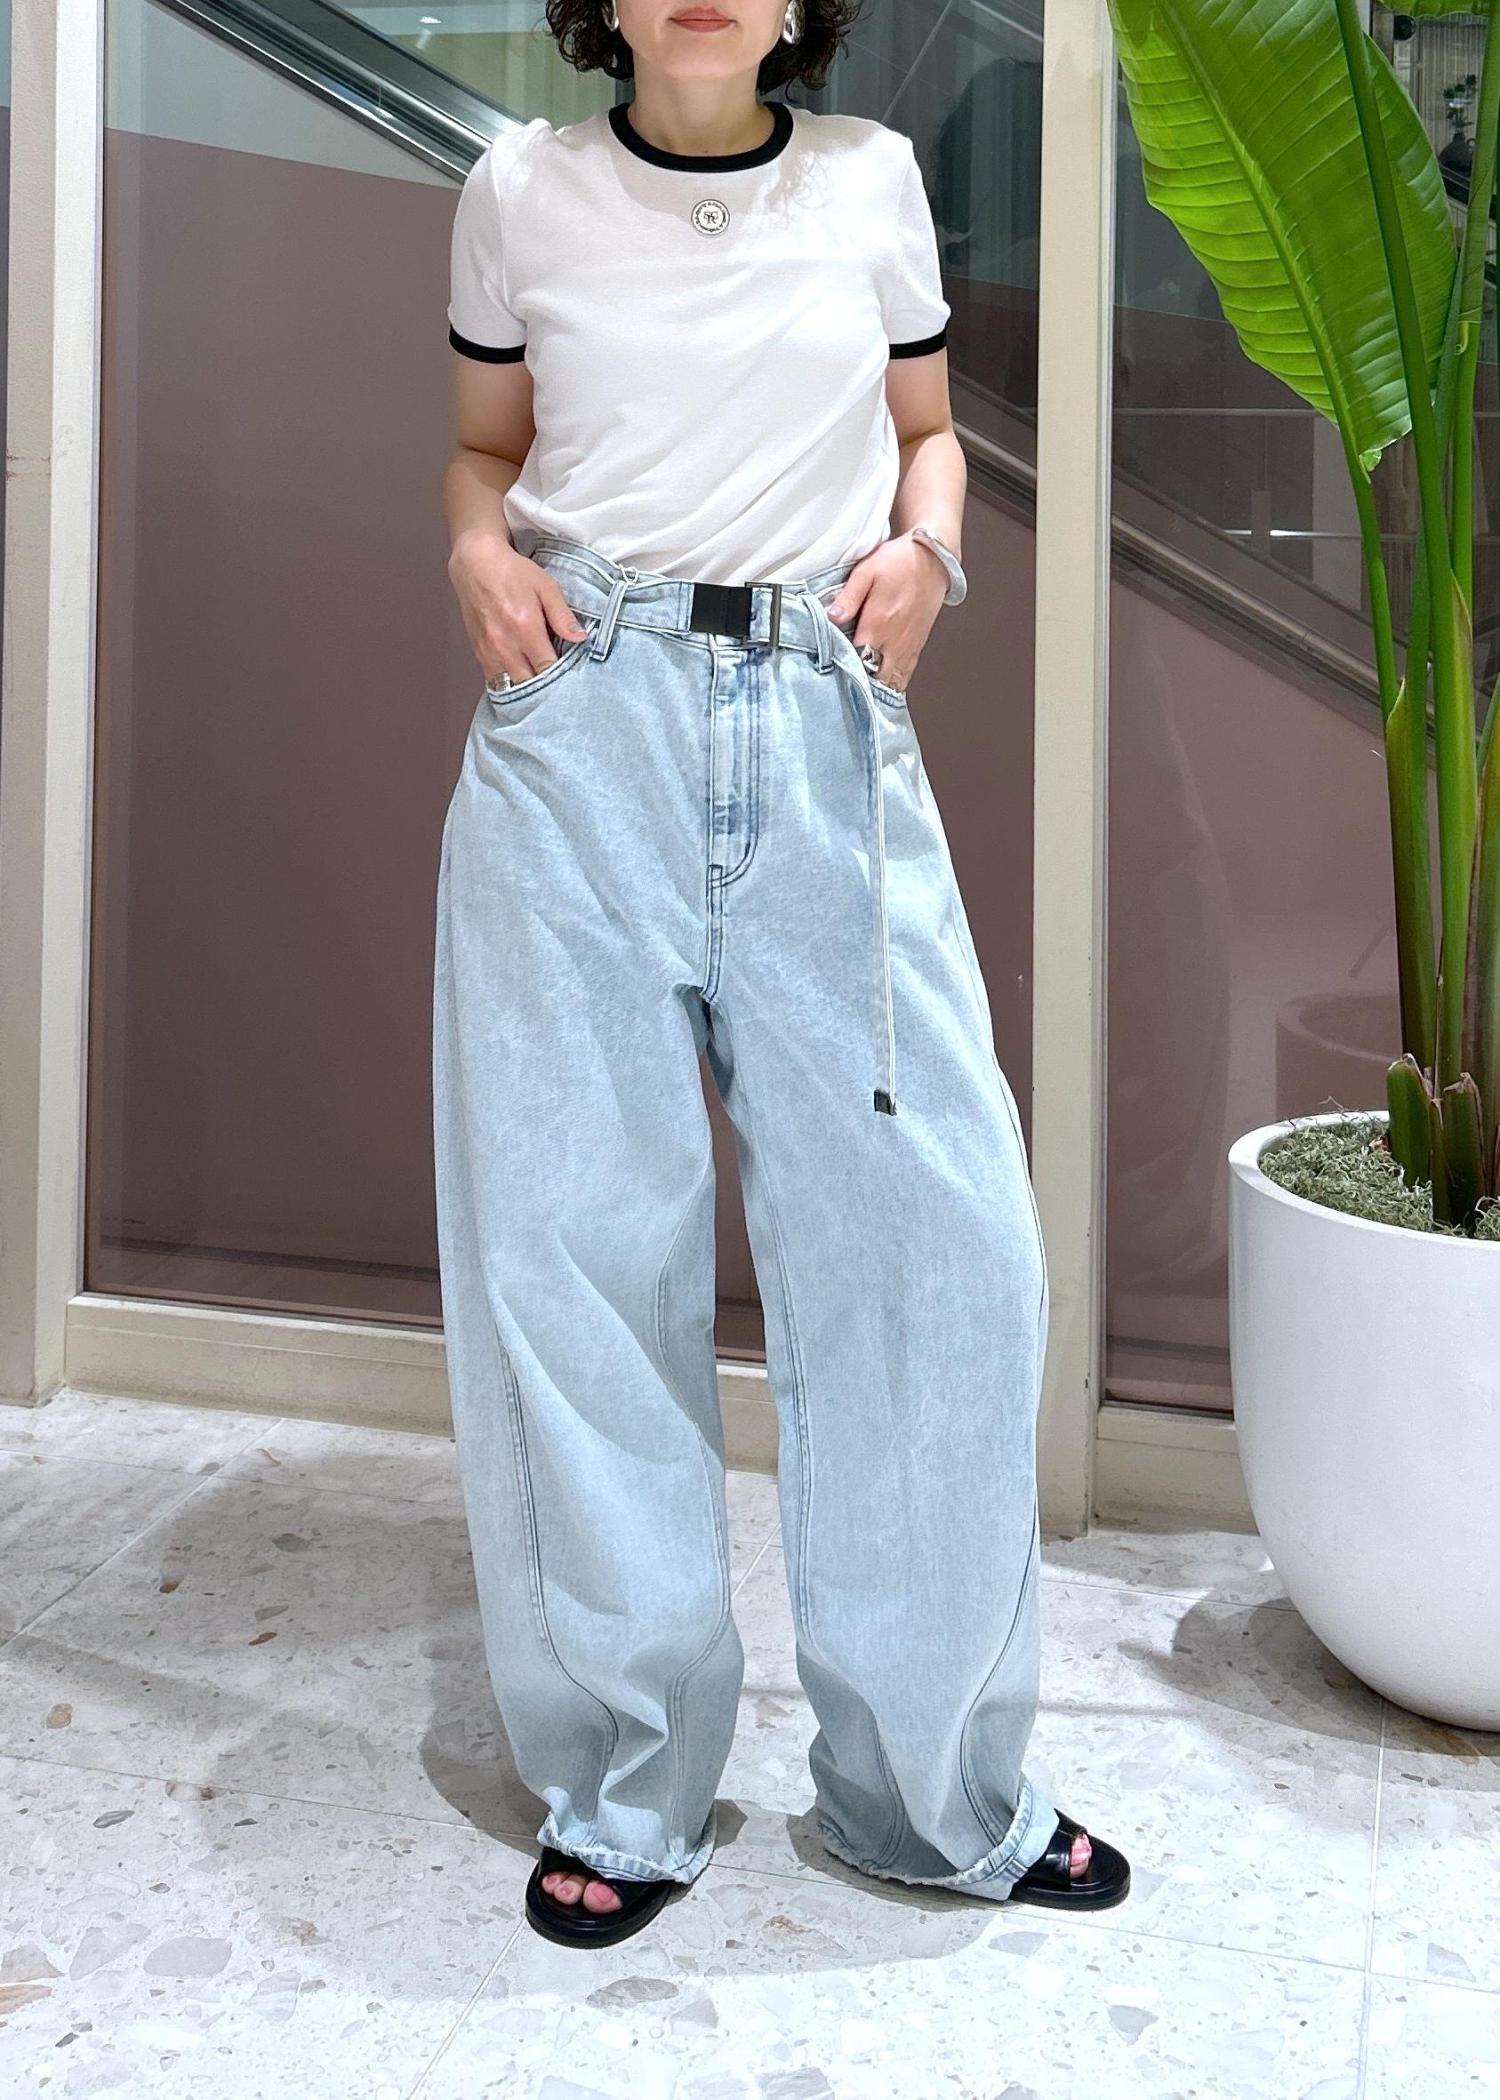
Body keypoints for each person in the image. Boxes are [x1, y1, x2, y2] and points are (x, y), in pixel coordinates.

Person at [433, 0, 1130, 1950]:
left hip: (822, 728)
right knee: (573, 1257)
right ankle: (630, 1773)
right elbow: (485, 452)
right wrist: (476, 556)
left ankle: (934, 1790)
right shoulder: (517, 191)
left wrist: (930, 557)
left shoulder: (872, 181)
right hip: (582, 730)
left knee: (944, 1252)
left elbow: (927, 439)